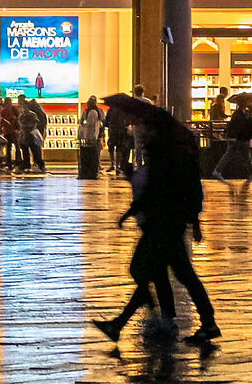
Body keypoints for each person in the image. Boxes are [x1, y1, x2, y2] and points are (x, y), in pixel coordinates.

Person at [93, 113, 220, 346]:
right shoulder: (171, 154)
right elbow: (187, 190)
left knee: (146, 270)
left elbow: (159, 191)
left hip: (162, 226)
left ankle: (130, 322)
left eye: (148, 128)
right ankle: (172, 319)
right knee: (167, 273)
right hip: (168, 224)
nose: (143, 133)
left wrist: (132, 211)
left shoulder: (165, 156)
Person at [77, 96, 105, 180]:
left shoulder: (89, 112)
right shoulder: (99, 111)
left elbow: (87, 123)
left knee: (90, 152)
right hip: (96, 134)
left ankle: (91, 169)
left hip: (90, 135)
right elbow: (102, 121)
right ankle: (97, 166)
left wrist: (83, 126)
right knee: (96, 151)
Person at [21, 98, 47, 171]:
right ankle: (28, 165)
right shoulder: (23, 115)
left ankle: (39, 164)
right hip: (25, 134)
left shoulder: (32, 115)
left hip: (30, 135)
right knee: (27, 151)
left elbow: (35, 123)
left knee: (34, 150)